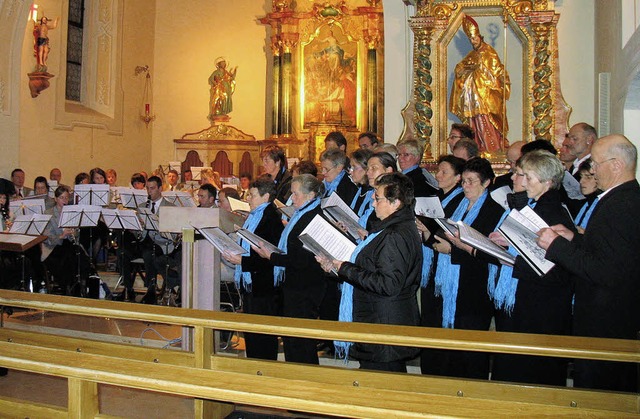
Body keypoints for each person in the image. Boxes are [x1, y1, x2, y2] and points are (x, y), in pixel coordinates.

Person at [537, 134, 640, 392]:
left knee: (601, 392)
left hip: (606, 321)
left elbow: (604, 270)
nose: (591, 170)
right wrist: (573, 238)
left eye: (595, 163)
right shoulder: (621, 198)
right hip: (605, 316)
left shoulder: (622, 204)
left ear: (616, 165)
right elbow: (607, 252)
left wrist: (556, 246)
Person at [317, 173, 422, 372]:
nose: (373, 203)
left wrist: (344, 268)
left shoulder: (394, 235)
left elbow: (388, 284)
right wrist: (335, 269)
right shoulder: (390, 228)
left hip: (384, 324)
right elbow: (370, 269)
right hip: (380, 322)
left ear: (395, 202)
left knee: (384, 387)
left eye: (378, 198)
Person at [488, 150, 575, 386]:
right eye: (519, 174)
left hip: (539, 309)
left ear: (546, 182)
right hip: (524, 302)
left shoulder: (552, 212)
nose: (517, 180)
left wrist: (512, 259)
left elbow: (558, 271)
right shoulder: (536, 207)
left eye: (526, 176)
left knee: (533, 373)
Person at [420, 157, 504, 379]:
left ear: (486, 183)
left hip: (473, 287)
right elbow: (443, 238)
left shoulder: (493, 211)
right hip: (450, 284)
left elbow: (489, 252)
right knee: (447, 344)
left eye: (471, 181)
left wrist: (453, 250)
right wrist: (427, 234)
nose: (465, 186)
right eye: (464, 181)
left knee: (470, 346)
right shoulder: (458, 204)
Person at [252, 174, 326, 365]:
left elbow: (301, 259)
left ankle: (304, 379)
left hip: (305, 287)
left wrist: (271, 256)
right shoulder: (303, 214)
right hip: (296, 285)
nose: (292, 198)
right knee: (293, 338)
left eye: (295, 194)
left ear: (310, 195)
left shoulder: (312, 217)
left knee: (300, 340)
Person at [222, 177, 283, 360]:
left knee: (262, 330)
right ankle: (254, 361)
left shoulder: (271, 218)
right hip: (253, 281)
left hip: (263, 284)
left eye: (252, 195)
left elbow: (269, 257)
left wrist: (243, 262)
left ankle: (263, 363)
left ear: (266, 196)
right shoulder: (257, 215)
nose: (248, 199)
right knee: (251, 328)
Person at [450, 14, 510, 153]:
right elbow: (460, 67)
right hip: (472, 98)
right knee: (474, 123)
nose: (473, 41)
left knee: (486, 122)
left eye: (474, 38)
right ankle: (477, 147)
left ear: (480, 36)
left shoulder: (489, 52)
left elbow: (496, 71)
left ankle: (492, 148)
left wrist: (502, 80)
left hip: (485, 97)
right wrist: (463, 70)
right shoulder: (472, 54)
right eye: (470, 39)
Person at [41, 186, 92, 295]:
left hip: (68, 245)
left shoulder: (71, 212)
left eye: (66, 198)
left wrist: (74, 233)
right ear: (55, 199)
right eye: (61, 198)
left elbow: (77, 235)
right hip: (53, 248)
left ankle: (79, 283)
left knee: (78, 253)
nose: (64, 200)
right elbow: (46, 238)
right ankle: (71, 286)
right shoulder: (48, 213)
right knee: (70, 255)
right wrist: (61, 236)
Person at [362, 152, 398, 231]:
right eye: (367, 169)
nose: (367, 173)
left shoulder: (393, 197)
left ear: (388, 171)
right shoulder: (370, 193)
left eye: (374, 168)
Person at [572, 159, 601, 233]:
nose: (581, 181)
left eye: (588, 177)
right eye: (581, 176)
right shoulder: (587, 202)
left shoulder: (601, 205)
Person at [348, 148, 374, 215]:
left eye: (354, 167)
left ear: (366, 168)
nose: (350, 171)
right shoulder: (359, 189)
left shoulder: (373, 194)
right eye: (350, 167)